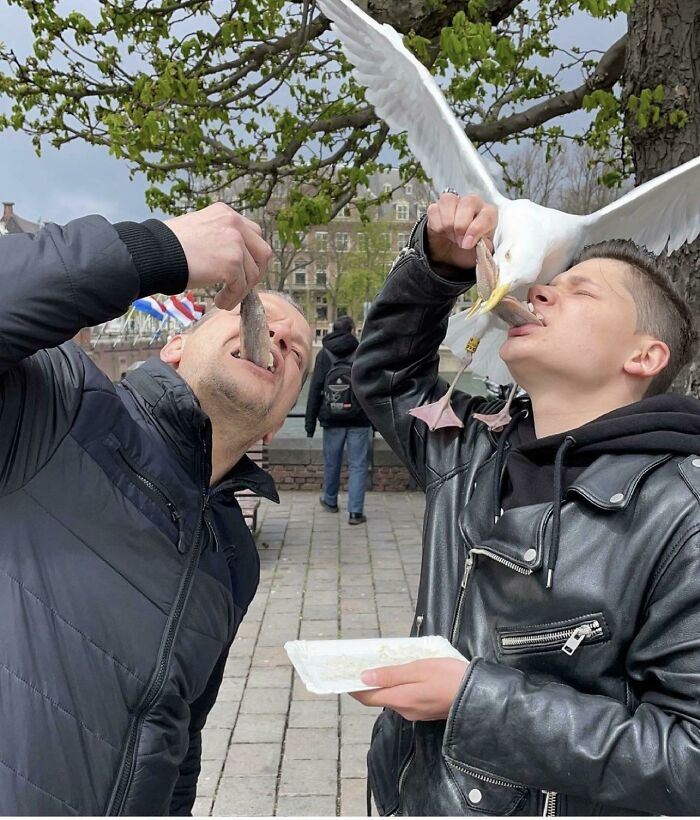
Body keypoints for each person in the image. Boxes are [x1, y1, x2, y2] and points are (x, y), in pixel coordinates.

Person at [350, 192, 700, 816]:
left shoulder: (682, 515)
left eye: (581, 292)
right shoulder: (468, 452)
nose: (539, 292)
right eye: (546, 284)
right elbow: (387, 377)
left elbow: (687, 758)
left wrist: (472, 701)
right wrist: (437, 267)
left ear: (644, 356)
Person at [0, 203, 312, 815]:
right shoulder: (59, 405)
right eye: (258, 317)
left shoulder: (233, 557)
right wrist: (151, 252)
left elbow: (178, 735)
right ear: (174, 347)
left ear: (277, 423)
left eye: (297, 353)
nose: (277, 336)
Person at [305, 314, 372, 524]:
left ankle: (330, 500)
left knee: (332, 463)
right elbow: (370, 387)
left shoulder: (324, 354)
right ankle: (355, 512)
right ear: (352, 330)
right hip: (359, 419)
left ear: (333, 329)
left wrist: (310, 424)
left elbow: (315, 389)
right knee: (358, 465)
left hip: (331, 417)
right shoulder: (362, 351)